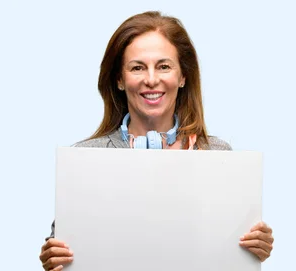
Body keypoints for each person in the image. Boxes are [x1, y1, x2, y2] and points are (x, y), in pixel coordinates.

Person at [38, 11, 274, 271]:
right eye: (137, 67)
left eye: (164, 66)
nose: (151, 79)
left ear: (183, 76)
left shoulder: (218, 155)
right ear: (119, 79)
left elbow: (229, 255)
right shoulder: (84, 158)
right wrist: (55, 257)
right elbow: (64, 249)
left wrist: (254, 246)